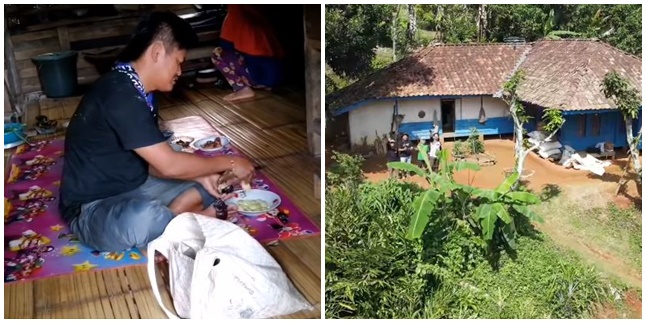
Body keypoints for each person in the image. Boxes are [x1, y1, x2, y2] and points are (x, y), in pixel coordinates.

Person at [59, 12, 256, 253]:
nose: (180, 71)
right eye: (179, 61)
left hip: (136, 183)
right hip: (93, 206)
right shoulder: (119, 93)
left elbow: (152, 162)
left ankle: (176, 218)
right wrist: (232, 162)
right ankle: (186, 219)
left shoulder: (140, 91)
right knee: (144, 218)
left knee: (214, 183)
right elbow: (168, 167)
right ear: (157, 52)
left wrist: (197, 175)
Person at [211, 4, 285, 101]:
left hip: (259, 77)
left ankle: (242, 89)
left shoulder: (235, 17)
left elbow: (225, 47)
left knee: (218, 54)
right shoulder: (259, 16)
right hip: (279, 76)